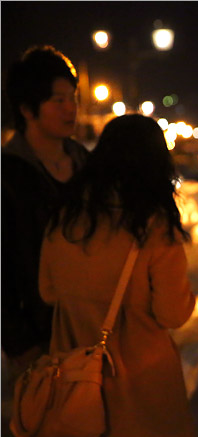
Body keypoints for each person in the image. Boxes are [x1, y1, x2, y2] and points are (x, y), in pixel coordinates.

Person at [39, 114, 197, 437]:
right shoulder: (154, 226)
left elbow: (48, 291)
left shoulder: (64, 218)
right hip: (142, 392)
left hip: (74, 387)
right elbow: (173, 314)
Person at [2, 45, 88, 362]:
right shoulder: (8, 177)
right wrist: (21, 344)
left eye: (74, 98)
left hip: (91, 332)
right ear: (27, 109)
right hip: (38, 341)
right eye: (59, 100)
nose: (71, 109)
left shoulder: (86, 166)